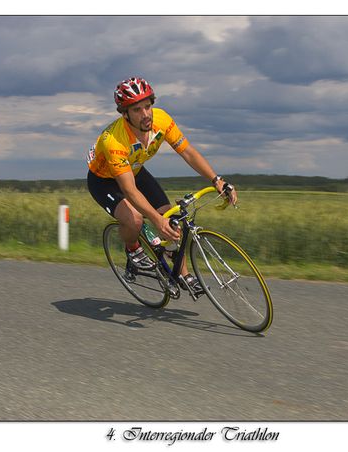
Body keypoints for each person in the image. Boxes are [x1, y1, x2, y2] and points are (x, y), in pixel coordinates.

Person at [87, 76, 237, 296]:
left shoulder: (162, 120)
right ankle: (132, 249)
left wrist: (217, 180)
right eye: (137, 109)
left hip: (134, 170)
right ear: (125, 113)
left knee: (172, 220)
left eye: (148, 106)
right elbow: (129, 190)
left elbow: (188, 152)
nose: (145, 114)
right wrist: (156, 221)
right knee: (135, 219)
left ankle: (183, 274)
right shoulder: (114, 141)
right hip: (103, 181)